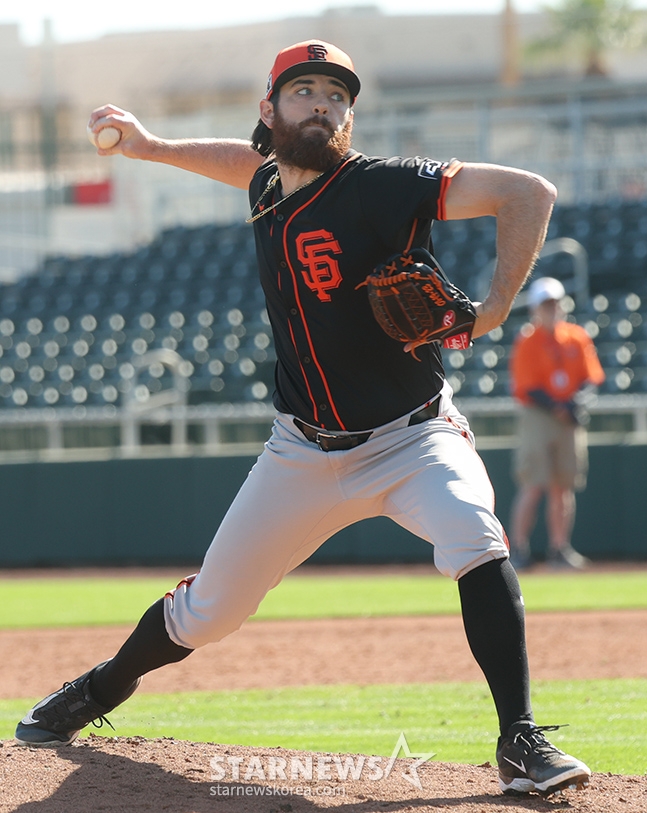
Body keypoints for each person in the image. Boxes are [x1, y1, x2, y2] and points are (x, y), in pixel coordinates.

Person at [15, 41, 591, 797]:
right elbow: (244, 163)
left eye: (337, 95)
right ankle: (97, 689)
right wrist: (152, 147)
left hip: (414, 437)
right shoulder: (267, 184)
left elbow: (529, 192)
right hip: (301, 452)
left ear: (349, 117)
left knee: (473, 534)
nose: (323, 104)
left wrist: (492, 309)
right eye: (304, 91)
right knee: (208, 612)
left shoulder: (381, 185)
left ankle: (520, 738)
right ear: (270, 108)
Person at [508, 277, 605, 571]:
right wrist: (561, 407)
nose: (552, 309)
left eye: (555, 303)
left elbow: (591, 378)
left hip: (568, 415)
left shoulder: (577, 336)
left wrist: (575, 403)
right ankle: (518, 550)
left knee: (563, 486)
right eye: (546, 305)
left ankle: (560, 549)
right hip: (539, 415)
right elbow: (528, 386)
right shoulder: (527, 340)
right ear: (535, 309)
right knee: (533, 485)